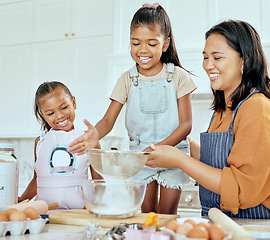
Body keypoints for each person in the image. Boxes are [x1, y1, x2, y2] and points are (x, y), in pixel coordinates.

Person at [146, 20, 270, 219]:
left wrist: (179, 159)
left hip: (262, 226)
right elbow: (217, 164)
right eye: (205, 57)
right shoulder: (222, 110)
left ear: (245, 60)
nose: (208, 65)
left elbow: (241, 188)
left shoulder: (258, 109)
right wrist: (183, 142)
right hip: (225, 222)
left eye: (217, 57)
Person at [68, 3, 197, 214]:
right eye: (136, 42)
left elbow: (186, 125)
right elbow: (108, 120)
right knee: (146, 216)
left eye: (152, 43)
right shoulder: (127, 79)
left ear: (165, 45)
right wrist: (95, 133)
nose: (142, 50)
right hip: (140, 158)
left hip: (174, 156)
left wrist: (159, 149)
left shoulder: (178, 77)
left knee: (166, 216)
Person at [19, 81, 102, 209]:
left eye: (64, 107)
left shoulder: (87, 139)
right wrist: (21, 200)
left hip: (79, 212)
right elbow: (37, 180)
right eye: (50, 113)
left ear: (73, 102)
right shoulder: (40, 142)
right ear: (42, 114)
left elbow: (99, 181)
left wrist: (90, 207)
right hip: (46, 213)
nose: (59, 116)